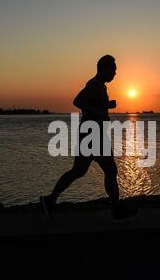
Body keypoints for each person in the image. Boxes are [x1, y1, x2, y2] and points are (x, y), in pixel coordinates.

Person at [40, 55, 138, 222]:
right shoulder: (94, 84)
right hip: (93, 135)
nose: (115, 73)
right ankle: (116, 209)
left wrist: (106, 106)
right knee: (110, 170)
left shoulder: (100, 86)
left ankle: (49, 200)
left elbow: (91, 104)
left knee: (79, 171)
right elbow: (77, 101)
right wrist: (100, 112)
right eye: (113, 69)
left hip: (91, 134)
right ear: (104, 69)